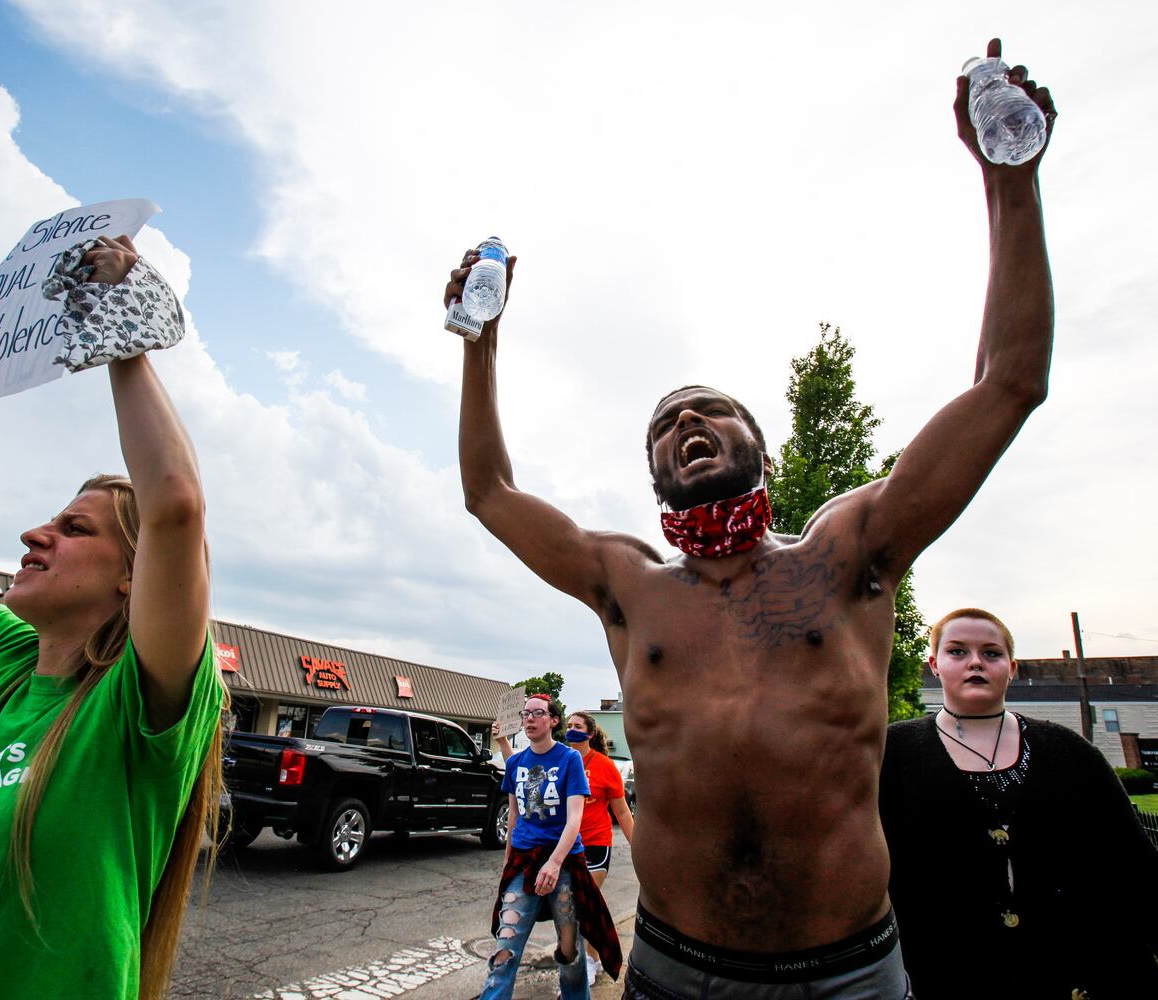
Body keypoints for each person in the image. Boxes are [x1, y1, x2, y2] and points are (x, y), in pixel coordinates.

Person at [447, 38, 1055, 998]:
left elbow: (1011, 382)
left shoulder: (848, 555)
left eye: (710, 410)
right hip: (674, 971)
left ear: (760, 451)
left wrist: (1009, 183)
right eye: (664, 423)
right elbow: (489, 491)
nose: (686, 420)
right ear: (655, 474)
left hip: (848, 976)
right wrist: (479, 347)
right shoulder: (628, 585)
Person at [0, 235, 225, 1000]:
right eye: (51, 522)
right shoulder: (2, 659)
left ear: (135, 579)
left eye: (75, 529)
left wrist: (120, 333)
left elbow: (177, 507)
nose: (36, 535)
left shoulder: (139, 703)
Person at [880, 609, 1158, 998]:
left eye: (991, 653)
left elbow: (1133, 865)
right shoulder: (892, 754)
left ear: (1011, 668)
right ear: (935, 665)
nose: (975, 661)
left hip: (1082, 971)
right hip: (946, 975)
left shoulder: (1069, 751)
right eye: (957, 652)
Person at [485, 693, 622, 999]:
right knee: (504, 949)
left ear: (553, 721)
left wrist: (555, 862)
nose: (530, 718)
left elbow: (575, 819)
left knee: (570, 953)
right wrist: (508, 865)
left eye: (537, 713)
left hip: (564, 865)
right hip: (523, 863)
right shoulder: (516, 763)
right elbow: (514, 818)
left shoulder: (569, 759)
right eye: (526, 714)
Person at [565, 711, 635, 986]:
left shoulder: (605, 766)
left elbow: (621, 811)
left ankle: (590, 963)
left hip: (595, 844)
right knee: (571, 907)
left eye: (578, 727)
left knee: (584, 905)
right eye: (569, 726)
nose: (572, 730)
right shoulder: (560, 761)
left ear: (590, 734)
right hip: (564, 846)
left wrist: (638, 848)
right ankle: (591, 957)